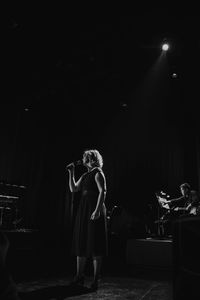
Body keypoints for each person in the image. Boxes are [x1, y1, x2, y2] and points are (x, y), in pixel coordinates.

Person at [67, 149, 108, 291]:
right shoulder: (85, 175)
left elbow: (103, 191)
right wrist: (71, 173)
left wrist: (97, 211)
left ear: (91, 159)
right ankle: (79, 276)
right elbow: (74, 189)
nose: (83, 159)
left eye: (85, 157)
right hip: (84, 211)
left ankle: (96, 279)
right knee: (81, 241)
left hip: (94, 209)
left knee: (95, 243)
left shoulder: (98, 172)